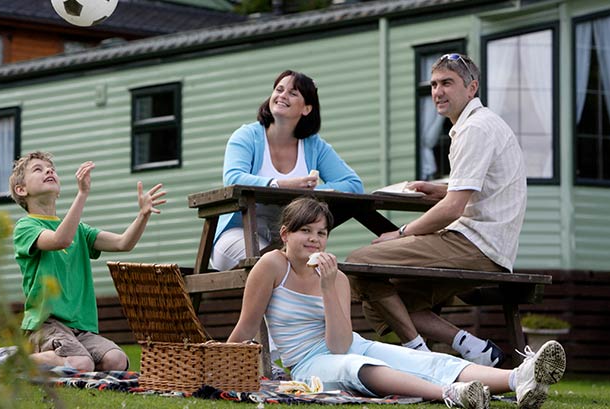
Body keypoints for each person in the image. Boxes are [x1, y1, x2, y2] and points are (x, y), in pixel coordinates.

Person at [228, 197, 564, 409]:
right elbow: (247, 326)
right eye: (306, 231)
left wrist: (329, 286)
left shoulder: (337, 277)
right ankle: (450, 393)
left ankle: (518, 378)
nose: (315, 240)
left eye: (322, 232)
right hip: (307, 364)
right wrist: (217, 365)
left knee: (425, 359)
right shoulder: (272, 265)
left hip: (350, 345)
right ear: (286, 234)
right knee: (353, 368)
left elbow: (342, 342)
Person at [345, 53, 527, 367]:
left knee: (360, 263)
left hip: (477, 245)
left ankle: (420, 359)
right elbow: (475, 192)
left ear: (471, 88)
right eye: (433, 84)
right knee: (382, 299)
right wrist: (441, 189)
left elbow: (453, 209)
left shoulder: (476, 129)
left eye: (447, 83)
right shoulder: (478, 125)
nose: (437, 92)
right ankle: (472, 347)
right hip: (486, 244)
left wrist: (401, 233)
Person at [9, 151, 166, 372]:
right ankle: (12, 360)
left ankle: (49, 359)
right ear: (21, 190)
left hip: (80, 329)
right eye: (38, 169)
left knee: (117, 361)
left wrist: (143, 215)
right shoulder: (25, 227)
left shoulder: (79, 230)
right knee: (81, 363)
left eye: (51, 168)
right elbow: (60, 240)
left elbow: (123, 243)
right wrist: (82, 193)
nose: (49, 171)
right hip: (46, 324)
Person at [211, 69, 363, 272]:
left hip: (289, 241)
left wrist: (311, 192)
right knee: (288, 266)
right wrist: (281, 184)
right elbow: (233, 179)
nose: (282, 95)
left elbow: (354, 185)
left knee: (314, 268)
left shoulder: (314, 146)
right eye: (279, 89)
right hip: (238, 235)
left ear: (307, 108)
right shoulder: (246, 136)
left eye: (293, 93)